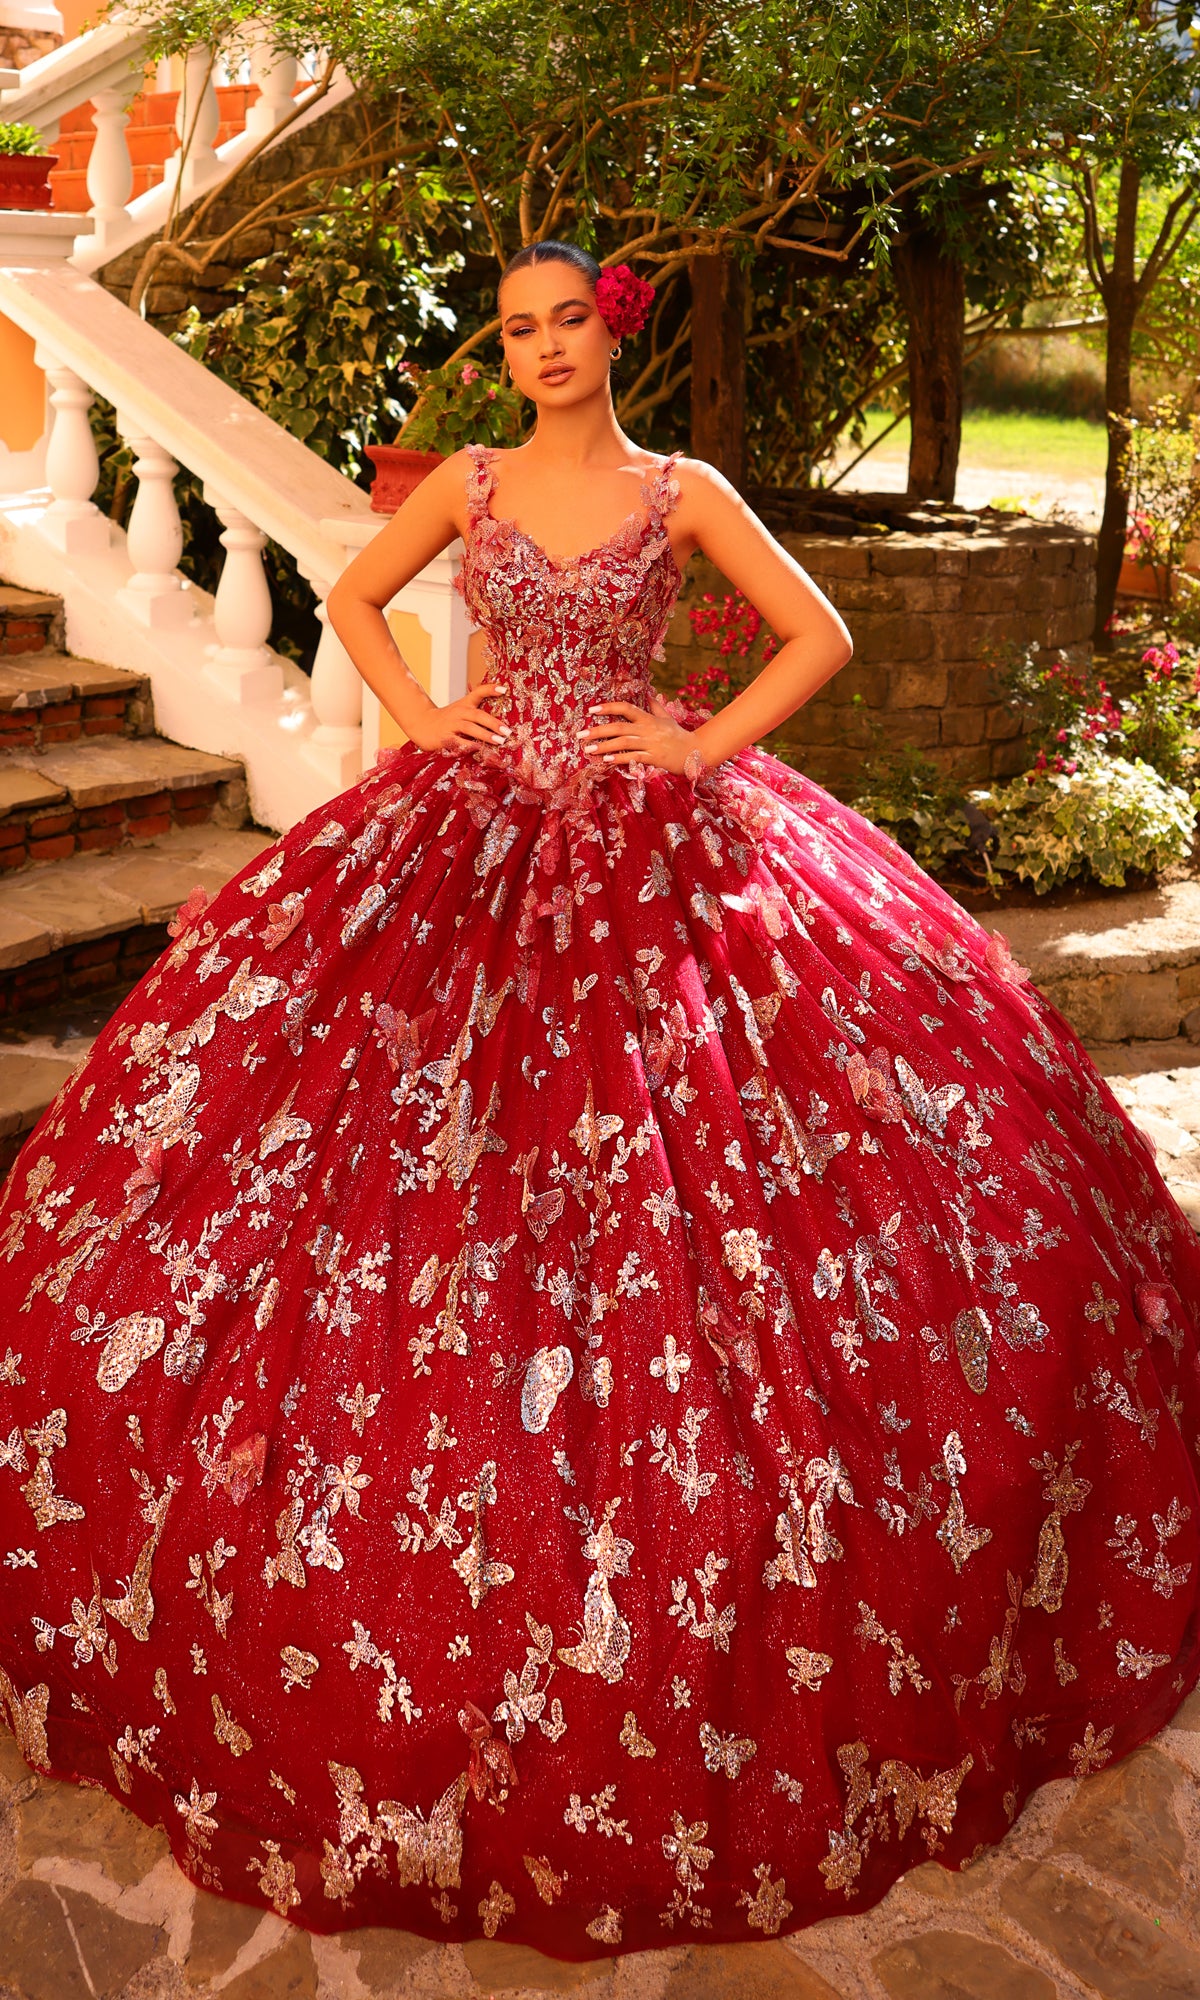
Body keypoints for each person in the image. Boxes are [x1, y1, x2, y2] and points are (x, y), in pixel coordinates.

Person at [0, 237, 1197, 1966]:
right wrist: (423, 719)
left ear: (607, 336)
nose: (544, 348)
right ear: (501, 354)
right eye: (516, 329)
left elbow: (820, 631)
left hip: (660, 848)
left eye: (567, 321)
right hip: (469, 835)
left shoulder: (681, 486)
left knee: (725, 1162)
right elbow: (347, 595)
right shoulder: (473, 484)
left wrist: (700, 750)